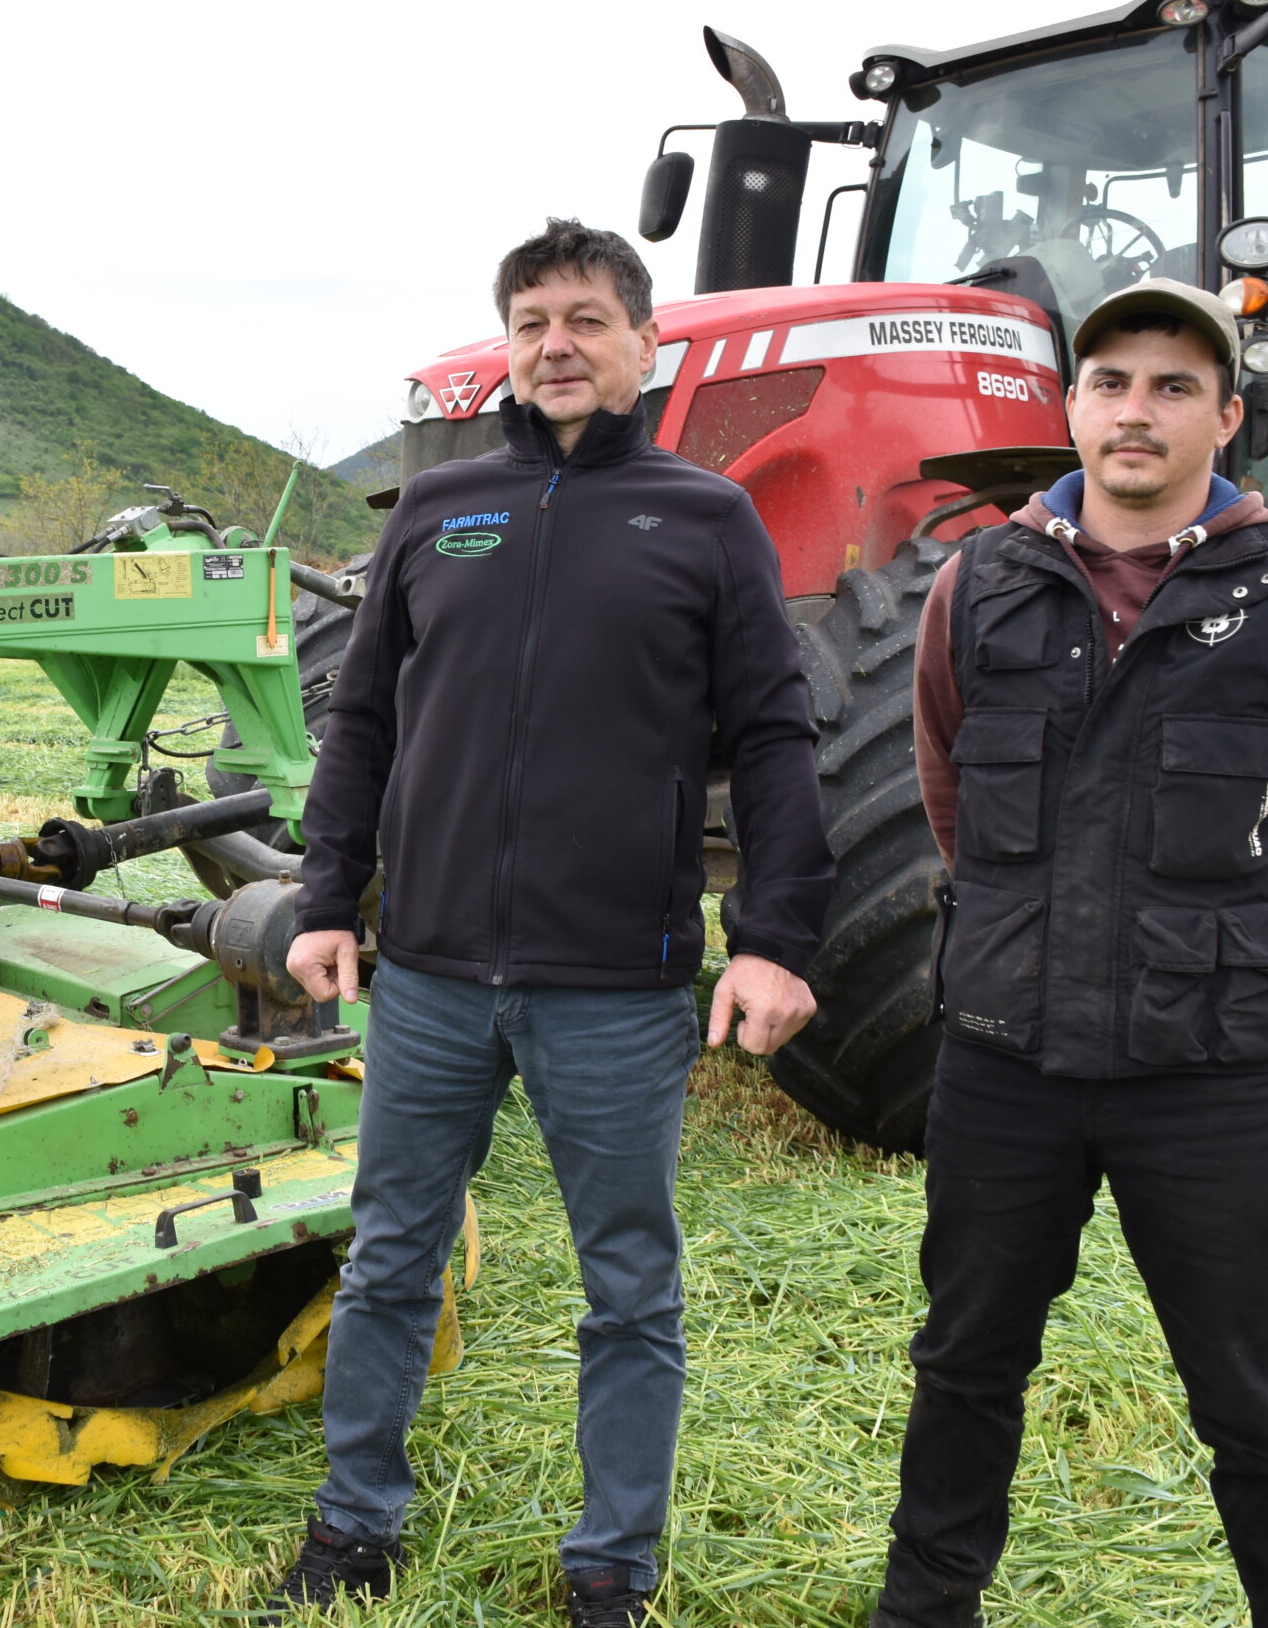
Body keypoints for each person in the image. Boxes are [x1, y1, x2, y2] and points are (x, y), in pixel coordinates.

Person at [262, 218, 837, 1627]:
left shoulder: (704, 519)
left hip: (617, 986)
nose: (556, 345)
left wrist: (776, 936)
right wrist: (328, 897)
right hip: (437, 977)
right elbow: (366, 724)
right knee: (391, 1254)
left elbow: (772, 738)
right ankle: (353, 1529)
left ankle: (612, 1569)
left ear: (644, 344)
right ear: (506, 349)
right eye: (531, 323)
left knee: (628, 1286)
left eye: (586, 318)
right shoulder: (435, 512)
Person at [870, 277, 1268, 1628]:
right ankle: (925, 1612)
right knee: (964, 1366)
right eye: (1111, 381)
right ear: (1071, 407)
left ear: (1226, 417)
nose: (1137, 409)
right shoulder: (978, 585)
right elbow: (952, 794)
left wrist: (1256, 953)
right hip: (1005, 1061)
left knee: (1257, 1398)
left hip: (1209, 1077)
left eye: (1175, 386)